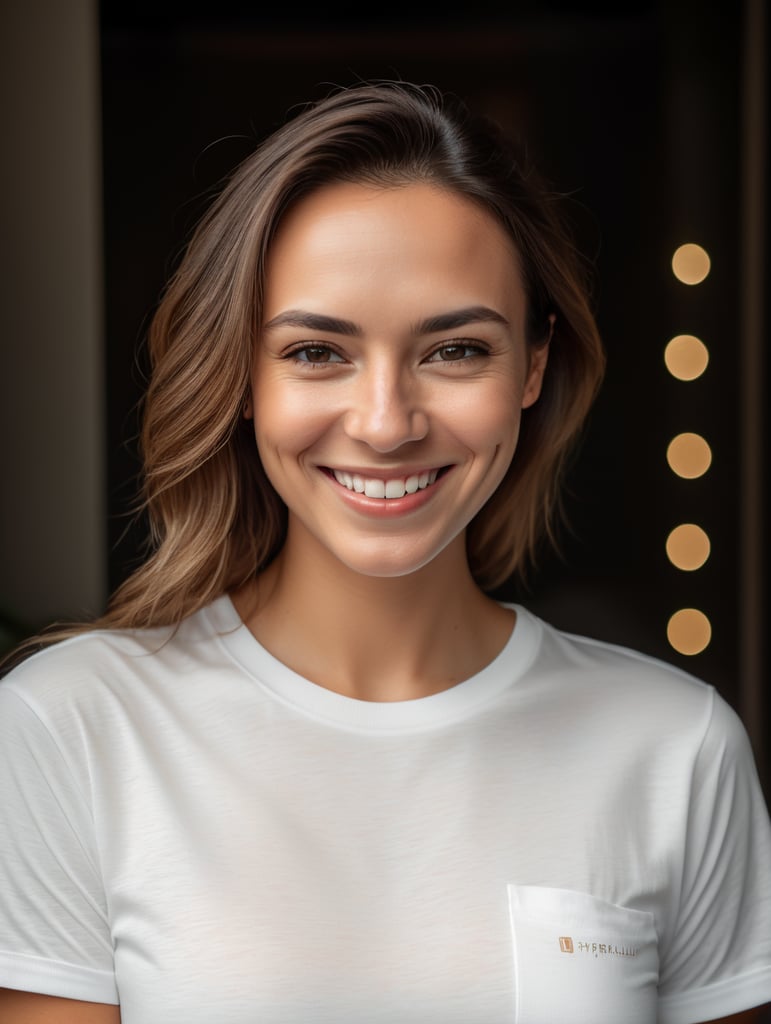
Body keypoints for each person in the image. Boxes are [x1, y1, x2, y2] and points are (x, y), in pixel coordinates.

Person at [0, 80, 769, 1024]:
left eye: (454, 352)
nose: (385, 423)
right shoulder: (73, 729)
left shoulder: (673, 749)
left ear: (531, 366)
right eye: (317, 353)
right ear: (240, 373)